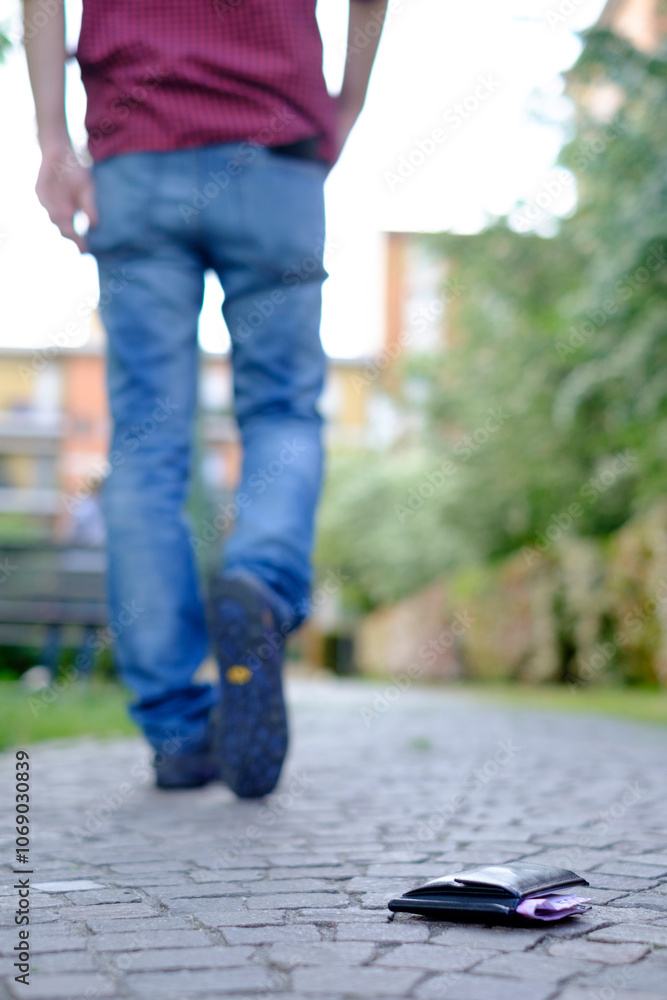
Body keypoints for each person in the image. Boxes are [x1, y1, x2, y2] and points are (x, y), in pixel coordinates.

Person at [23, 0, 386, 797]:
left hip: (136, 152)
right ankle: (260, 578)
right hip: (277, 148)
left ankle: (178, 728)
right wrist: (347, 101)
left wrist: (53, 138)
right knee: (282, 409)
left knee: (146, 444)